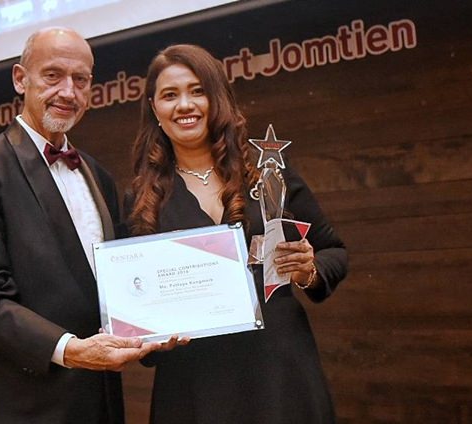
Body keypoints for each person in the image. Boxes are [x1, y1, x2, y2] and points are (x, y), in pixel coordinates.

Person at [0, 27, 167, 424]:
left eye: (80, 80)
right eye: (53, 75)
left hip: (99, 402)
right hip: (22, 405)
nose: (68, 92)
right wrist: (73, 350)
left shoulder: (97, 174)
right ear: (19, 78)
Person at [125, 44, 348, 423]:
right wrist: (146, 333)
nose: (185, 105)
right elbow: (135, 302)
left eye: (197, 91)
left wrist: (308, 270)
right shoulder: (142, 198)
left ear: (217, 97)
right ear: (154, 108)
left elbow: (334, 252)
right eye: (170, 95)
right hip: (194, 383)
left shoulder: (267, 171)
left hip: (279, 372)